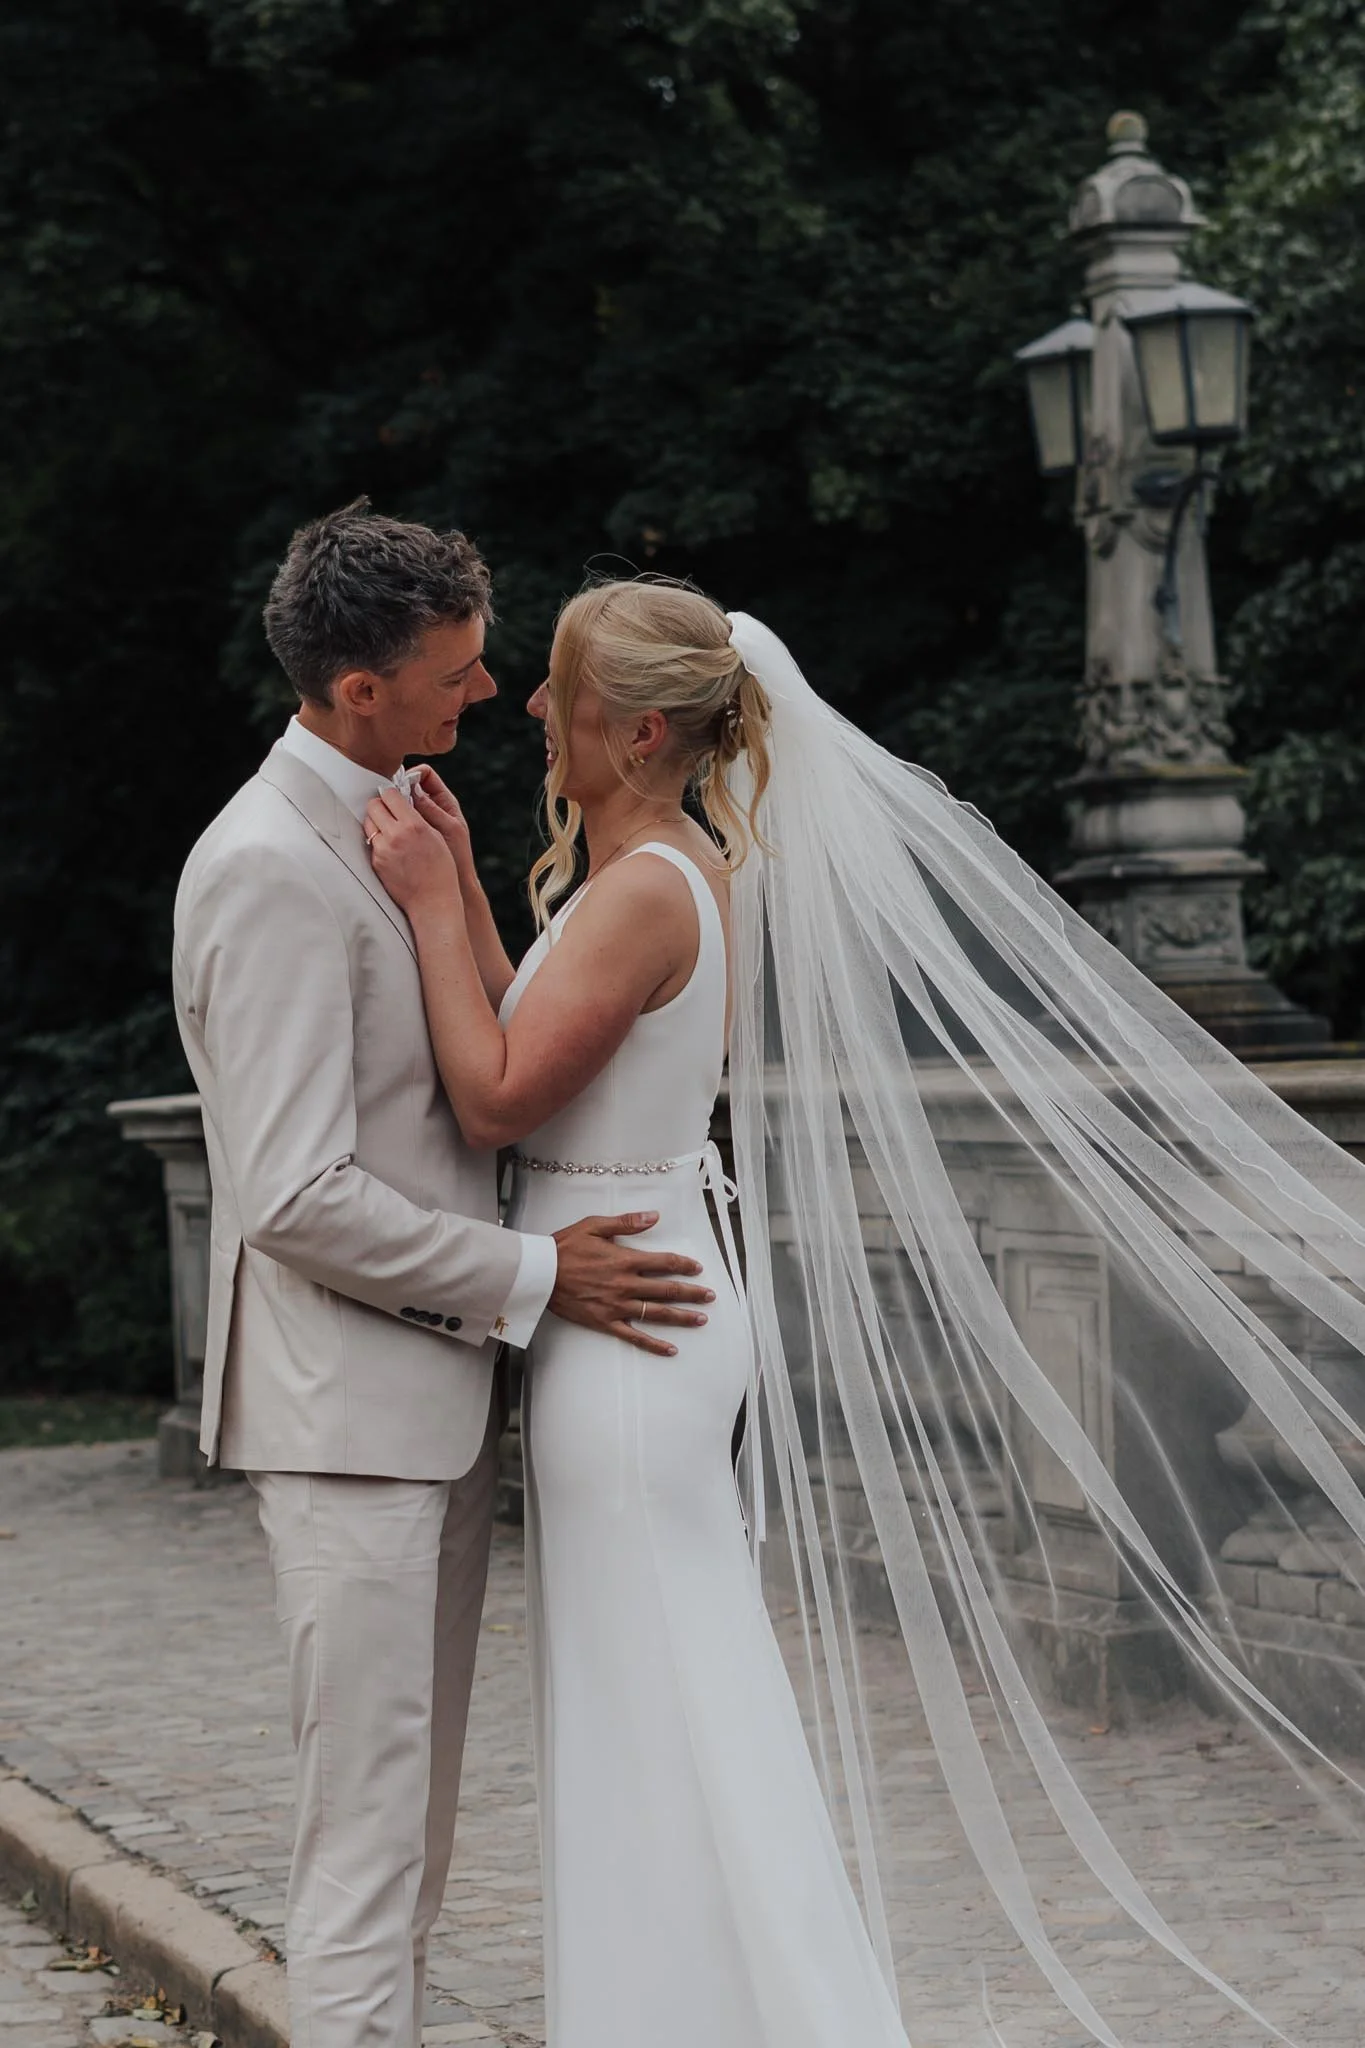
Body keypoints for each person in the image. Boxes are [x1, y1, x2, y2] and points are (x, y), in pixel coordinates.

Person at [369, 574, 1365, 2048]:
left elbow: (501, 1095)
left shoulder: (648, 885)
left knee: (664, 1704)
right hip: (643, 1305)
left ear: (638, 728)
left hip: (631, 1333)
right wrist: (457, 895)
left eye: (557, 687)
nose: (525, 707)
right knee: (658, 1690)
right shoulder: (659, 865)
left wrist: (418, 912)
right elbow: (544, 1036)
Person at [171, 508, 713, 2048]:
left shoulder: (400, 819)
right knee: (363, 1857)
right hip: (351, 1427)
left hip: (432, 1408)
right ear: (360, 688)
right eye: (461, 672)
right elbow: (291, 1194)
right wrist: (533, 1275)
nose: (490, 697)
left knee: (412, 1848)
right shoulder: (267, 866)